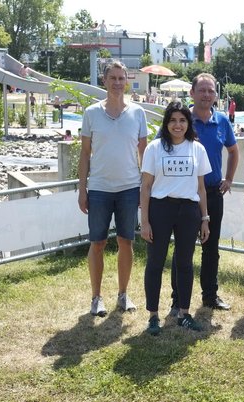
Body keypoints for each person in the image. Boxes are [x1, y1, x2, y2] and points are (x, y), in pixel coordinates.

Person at [77, 61, 148, 317]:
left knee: (126, 241)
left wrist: (144, 189)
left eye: (121, 78)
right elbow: (85, 154)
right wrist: (82, 189)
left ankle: (123, 294)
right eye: (113, 78)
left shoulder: (138, 113)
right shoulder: (91, 113)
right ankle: (96, 297)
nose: (117, 82)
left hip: (129, 188)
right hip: (99, 189)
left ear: (126, 81)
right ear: (104, 81)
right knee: (97, 243)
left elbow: (144, 154)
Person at [168, 73, 239, 315]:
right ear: (192, 93)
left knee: (211, 248)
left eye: (211, 91)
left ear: (216, 95)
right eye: (202, 90)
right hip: (185, 195)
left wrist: (229, 179)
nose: (207, 95)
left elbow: (233, 151)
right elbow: (162, 147)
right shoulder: (181, 120)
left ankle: (210, 295)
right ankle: (177, 299)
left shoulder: (222, 121)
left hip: (213, 193)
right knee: (183, 249)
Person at [140, 102, 211, 335]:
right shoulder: (154, 148)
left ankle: (184, 313)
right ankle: (153, 316)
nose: (177, 125)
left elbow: (201, 188)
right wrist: (145, 221)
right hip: (160, 209)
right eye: (173, 120)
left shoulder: (197, 149)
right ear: (166, 123)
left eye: (182, 120)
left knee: (185, 263)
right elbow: (146, 186)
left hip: (188, 211)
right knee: (155, 263)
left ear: (188, 123)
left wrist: (205, 218)